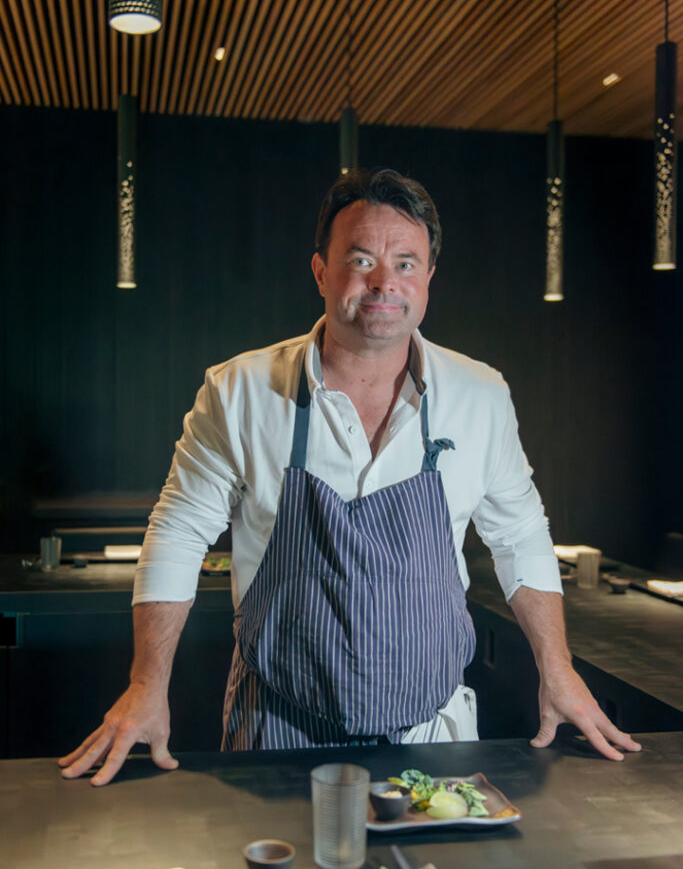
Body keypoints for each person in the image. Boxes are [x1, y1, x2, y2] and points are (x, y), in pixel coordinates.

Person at [59, 168, 640, 785]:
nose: (385, 282)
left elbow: (520, 535)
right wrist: (147, 685)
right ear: (320, 272)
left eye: (407, 263)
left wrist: (559, 669)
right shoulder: (239, 392)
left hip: (432, 735)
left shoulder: (481, 395)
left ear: (429, 279)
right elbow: (177, 533)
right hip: (278, 730)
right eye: (362, 259)